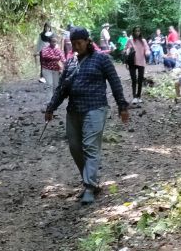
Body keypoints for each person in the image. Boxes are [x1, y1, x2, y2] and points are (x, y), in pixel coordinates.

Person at [44, 27, 131, 205]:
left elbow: (115, 83)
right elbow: (61, 88)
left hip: (95, 108)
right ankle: (90, 181)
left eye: (79, 43)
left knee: (90, 146)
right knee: (75, 148)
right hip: (73, 110)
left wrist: (122, 106)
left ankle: (89, 186)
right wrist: (51, 107)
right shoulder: (70, 62)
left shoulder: (102, 59)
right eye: (73, 44)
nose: (76, 47)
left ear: (87, 41)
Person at [125, 27, 149, 104]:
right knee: (133, 80)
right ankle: (134, 96)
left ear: (140, 32)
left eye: (138, 31)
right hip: (132, 61)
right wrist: (127, 51)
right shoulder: (130, 40)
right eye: (135, 31)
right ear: (133, 32)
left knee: (140, 79)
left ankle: (139, 96)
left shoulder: (143, 41)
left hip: (141, 61)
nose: (137, 32)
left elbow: (147, 49)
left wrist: (147, 53)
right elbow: (126, 49)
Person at [39, 35, 65, 99]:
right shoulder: (45, 49)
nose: (54, 43)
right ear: (49, 42)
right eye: (53, 42)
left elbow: (63, 59)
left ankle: (54, 101)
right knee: (49, 85)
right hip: (47, 69)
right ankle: (49, 101)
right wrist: (57, 57)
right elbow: (45, 56)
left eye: (55, 42)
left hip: (56, 70)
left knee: (56, 86)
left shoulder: (58, 50)